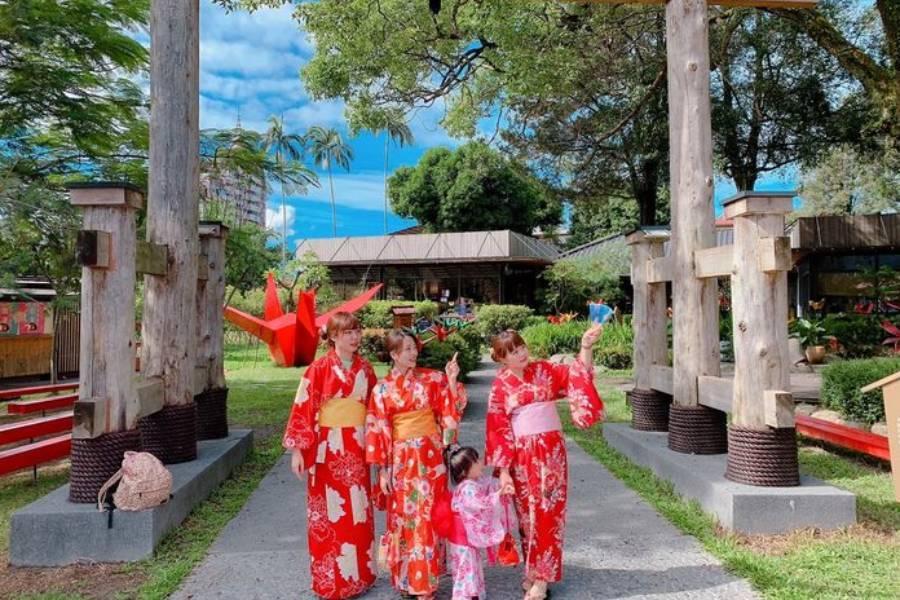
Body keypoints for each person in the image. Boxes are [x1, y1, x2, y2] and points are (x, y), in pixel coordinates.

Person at [485, 325, 605, 600]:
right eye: (513, 352)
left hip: (551, 454)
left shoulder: (544, 371)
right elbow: (497, 430)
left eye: (522, 347)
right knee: (528, 517)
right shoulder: (500, 385)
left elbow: (577, 374)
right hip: (521, 457)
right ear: (502, 358)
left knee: (548, 514)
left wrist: (586, 346)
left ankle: (542, 578)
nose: (521, 353)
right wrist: (503, 472)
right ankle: (533, 570)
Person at [283, 312, 377, 599]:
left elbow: (376, 408)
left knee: (358, 510)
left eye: (357, 331)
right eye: (347, 332)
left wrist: (379, 444)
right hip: (327, 449)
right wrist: (299, 450)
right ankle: (330, 582)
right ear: (333, 336)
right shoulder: (318, 368)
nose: (354, 337)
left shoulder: (366, 369)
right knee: (328, 515)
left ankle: (361, 576)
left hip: (358, 446)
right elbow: (303, 407)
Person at [366, 330, 467, 599]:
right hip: (400, 462)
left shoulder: (433, 379)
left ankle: (425, 585)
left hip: (430, 459)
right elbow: (378, 429)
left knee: (428, 518)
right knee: (403, 519)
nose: (413, 353)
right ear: (394, 354)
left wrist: (452, 379)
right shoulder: (382, 389)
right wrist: (383, 471)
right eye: (407, 349)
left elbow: (449, 412)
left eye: (414, 347)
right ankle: (408, 578)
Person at [445, 445, 511, 600]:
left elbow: (488, 483)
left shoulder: (472, 483)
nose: (481, 462)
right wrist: (499, 493)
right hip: (463, 536)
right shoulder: (467, 488)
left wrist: (500, 484)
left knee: (471, 563)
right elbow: (482, 503)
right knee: (465, 564)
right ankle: (464, 595)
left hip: (466, 534)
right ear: (465, 470)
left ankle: (473, 592)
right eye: (477, 460)